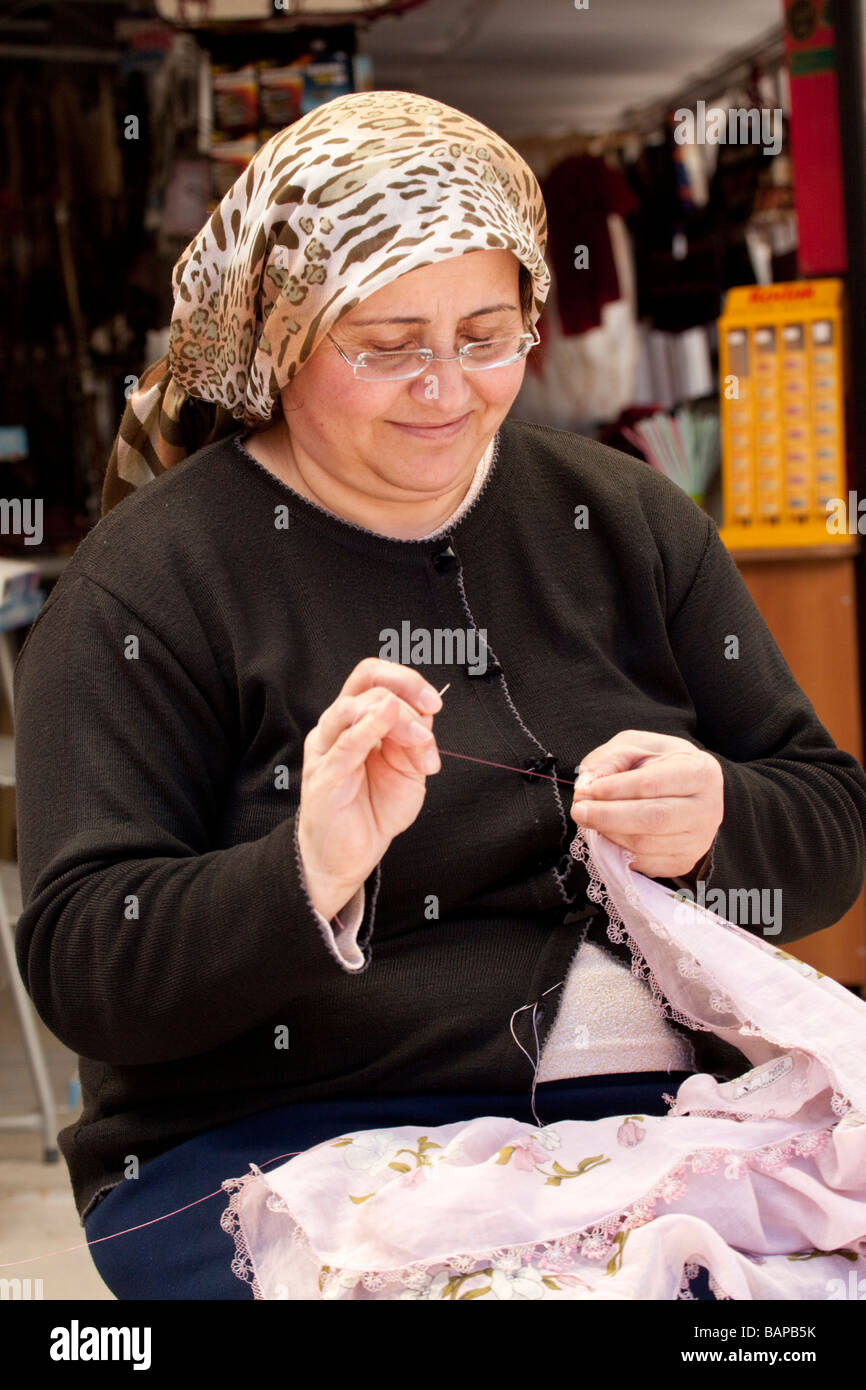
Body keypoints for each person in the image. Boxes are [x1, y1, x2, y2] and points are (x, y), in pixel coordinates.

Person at [13, 90, 866, 1301]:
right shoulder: (150, 587)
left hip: (660, 1126)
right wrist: (304, 869)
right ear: (279, 336)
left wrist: (719, 822)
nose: (448, 388)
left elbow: (828, 826)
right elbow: (85, 962)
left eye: (488, 334)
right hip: (287, 1145)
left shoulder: (621, 518)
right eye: (387, 345)